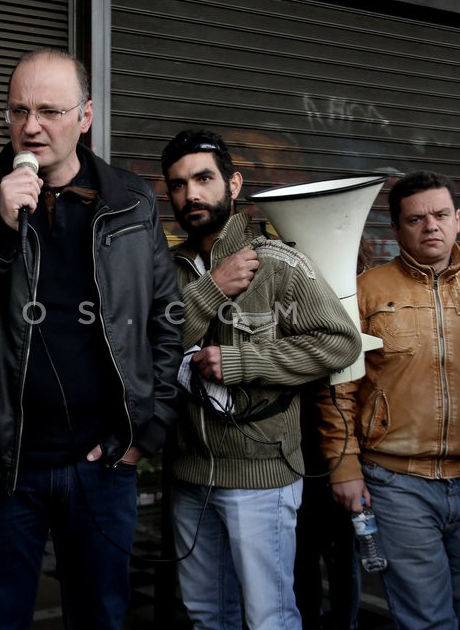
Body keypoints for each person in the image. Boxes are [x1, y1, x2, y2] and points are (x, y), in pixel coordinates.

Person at [0, 48, 184, 628]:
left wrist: (147, 427)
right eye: (18, 111)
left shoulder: (130, 200)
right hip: (1, 468)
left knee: (101, 616)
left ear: (85, 116)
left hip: (103, 465)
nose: (30, 127)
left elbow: (165, 316)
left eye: (50, 111)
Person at [160, 129, 361, 630]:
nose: (192, 195)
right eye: (179, 185)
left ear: (234, 184)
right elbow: (145, 348)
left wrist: (243, 363)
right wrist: (210, 289)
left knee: (269, 617)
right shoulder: (165, 268)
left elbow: (340, 342)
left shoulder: (278, 261)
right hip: (189, 475)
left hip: (261, 476)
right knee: (207, 614)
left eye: (204, 179)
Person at [318, 170, 460, 629]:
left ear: (458, 219)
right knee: (426, 620)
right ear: (395, 230)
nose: (431, 226)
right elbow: (338, 388)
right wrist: (345, 467)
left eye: (440, 215)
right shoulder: (364, 291)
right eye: (416, 219)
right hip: (399, 483)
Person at [293, 239, 374, 630]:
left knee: (340, 556)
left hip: (339, 450)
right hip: (300, 447)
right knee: (304, 555)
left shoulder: (363, 295)